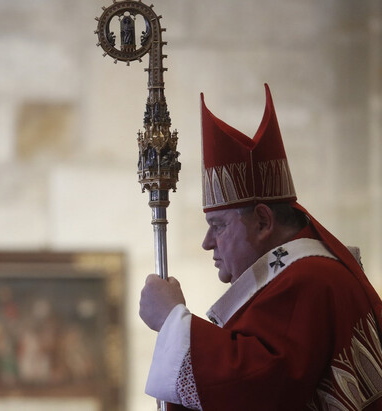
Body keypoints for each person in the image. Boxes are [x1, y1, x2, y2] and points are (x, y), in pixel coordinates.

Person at [139, 84, 382, 410]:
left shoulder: (308, 279)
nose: (207, 243)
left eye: (219, 226)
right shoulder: (302, 277)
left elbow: (259, 389)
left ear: (263, 222)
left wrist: (172, 321)